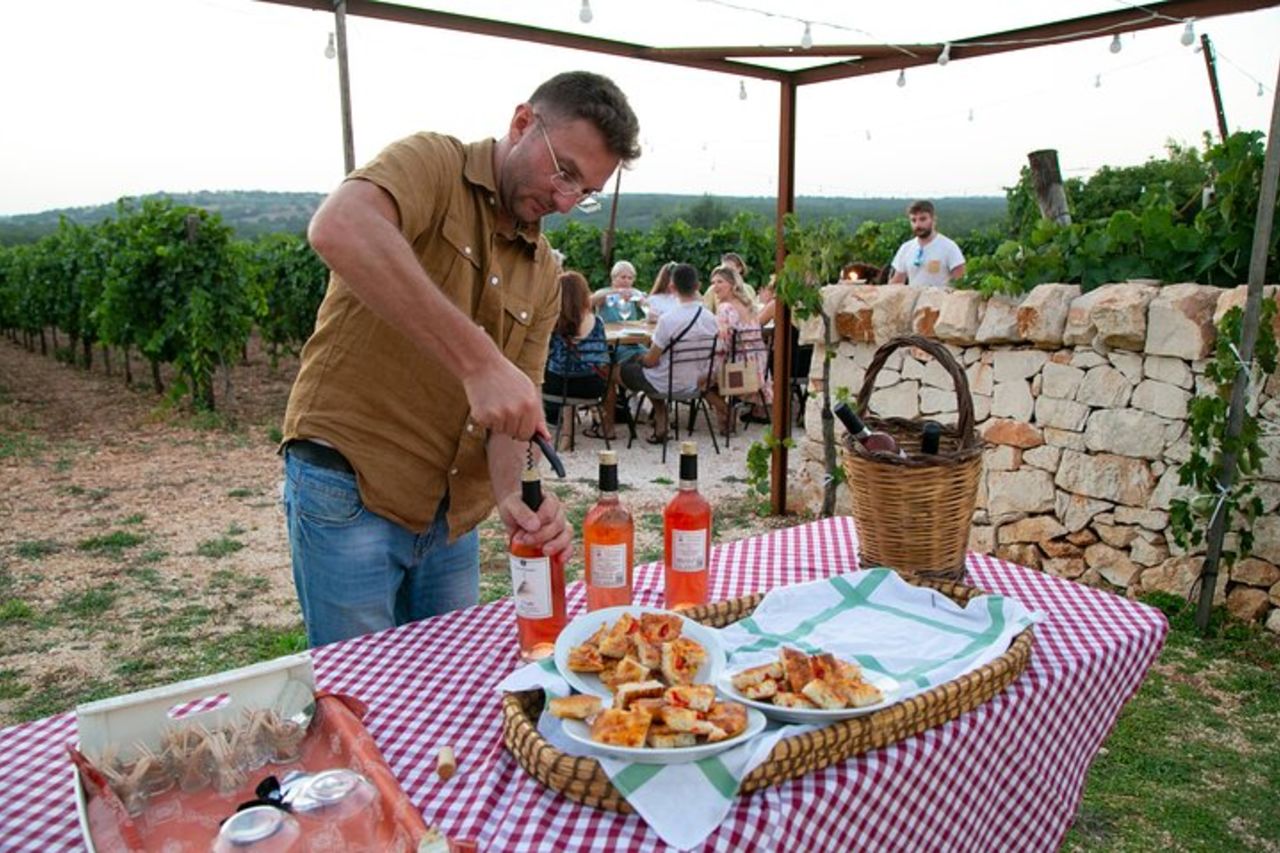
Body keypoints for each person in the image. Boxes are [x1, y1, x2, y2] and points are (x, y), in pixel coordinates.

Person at [280, 71, 641, 647]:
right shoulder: (433, 163)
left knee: (442, 688)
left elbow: (510, 418)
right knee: (363, 698)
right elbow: (340, 227)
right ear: (523, 123)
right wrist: (479, 361)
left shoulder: (545, 271)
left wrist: (512, 500)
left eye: (585, 192)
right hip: (352, 484)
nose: (566, 200)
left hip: (450, 521)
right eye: (564, 172)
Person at [619, 263, 720, 443]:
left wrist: (640, 358)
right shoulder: (711, 318)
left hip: (665, 383)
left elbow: (650, 361)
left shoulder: (668, 320)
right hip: (695, 382)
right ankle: (660, 420)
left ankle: (613, 426)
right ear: (697, 286)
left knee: (617, 371)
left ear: (672, 288)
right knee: (651, 373)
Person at [543, 270, 615, 440]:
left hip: (557, 385)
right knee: (609, 379)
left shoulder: (552, 321)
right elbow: (602, 358)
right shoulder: (597, 322)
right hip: (590, 387)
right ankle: (607, 428)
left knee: (552, 370)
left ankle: (564, 431)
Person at [708, 265, 771, 432]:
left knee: (702, 380)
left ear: (732, 284)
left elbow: (723, 346)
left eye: (720, 282)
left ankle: (726, 417)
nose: (715, 286)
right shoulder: (748, 305)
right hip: (758, 367)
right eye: (713, 282)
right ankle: (727, 418)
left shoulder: (725, 308)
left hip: (738, 372)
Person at [888, 201, 966, 288]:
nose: (918, 225)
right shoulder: (906, 248)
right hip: (913, 300)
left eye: (923, 219)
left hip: (941, 300)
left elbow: (961, 283)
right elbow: (897, 283)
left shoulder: (949, 247)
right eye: (914, 220)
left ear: (933, 219)